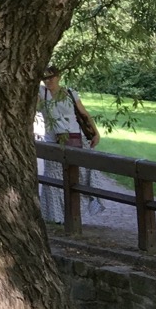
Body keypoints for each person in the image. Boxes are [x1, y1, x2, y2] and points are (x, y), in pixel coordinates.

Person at [38, 65, 103, 217]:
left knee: (78, 176)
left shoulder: (70, 93)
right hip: (53, 141)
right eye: (45, 78)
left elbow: (84, 114)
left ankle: (74, 213)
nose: (48, 81)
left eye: (51, 77)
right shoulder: (41, 94)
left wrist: (95, 133)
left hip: (75, 138)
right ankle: (55, 215)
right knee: (53, 177)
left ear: (58, 77)